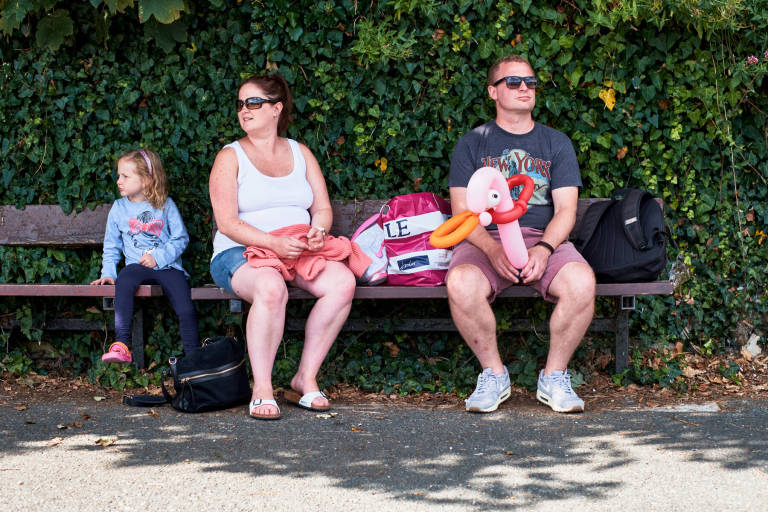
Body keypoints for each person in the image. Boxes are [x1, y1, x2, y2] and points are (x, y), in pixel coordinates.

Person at [446, 55, 596, 414]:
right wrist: (492, 250)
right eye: (513, 82)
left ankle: (555, 377)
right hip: (486, 239)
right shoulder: (472, 144)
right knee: (461, 283)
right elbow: (461, 212)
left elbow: (566, 212)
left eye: (530, 82)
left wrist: (545, 248)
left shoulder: (555, 143)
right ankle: (494, 375)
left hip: (541, 236)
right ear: (492, 92)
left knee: (581, 282)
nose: (525, 87)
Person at [208, 73, 357, 421]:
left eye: (254, 103)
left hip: (298, 248)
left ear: (276, 109)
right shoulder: (230, 157)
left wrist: (318, 231)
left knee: (342, 283)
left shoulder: (300, 153)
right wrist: (273, 243)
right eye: (241, 104)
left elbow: (321, 208)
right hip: (240, 252)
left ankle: (304, 377)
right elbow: (228, 223)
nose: (244, 110)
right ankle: (261, 387)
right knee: (272, 289)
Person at [91, 148, 199, 363]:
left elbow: (180, 238)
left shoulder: (165, 205)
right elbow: (112, 245)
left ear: (147, 179)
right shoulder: (119, 208)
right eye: (119, 175)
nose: (118, 181)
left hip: (168, 268)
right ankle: (121, 344)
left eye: (125, 176)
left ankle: (194, 360)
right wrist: (109, 272)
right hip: (136, 267)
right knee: (124, 281)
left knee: (185, 308)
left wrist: (158, 257)